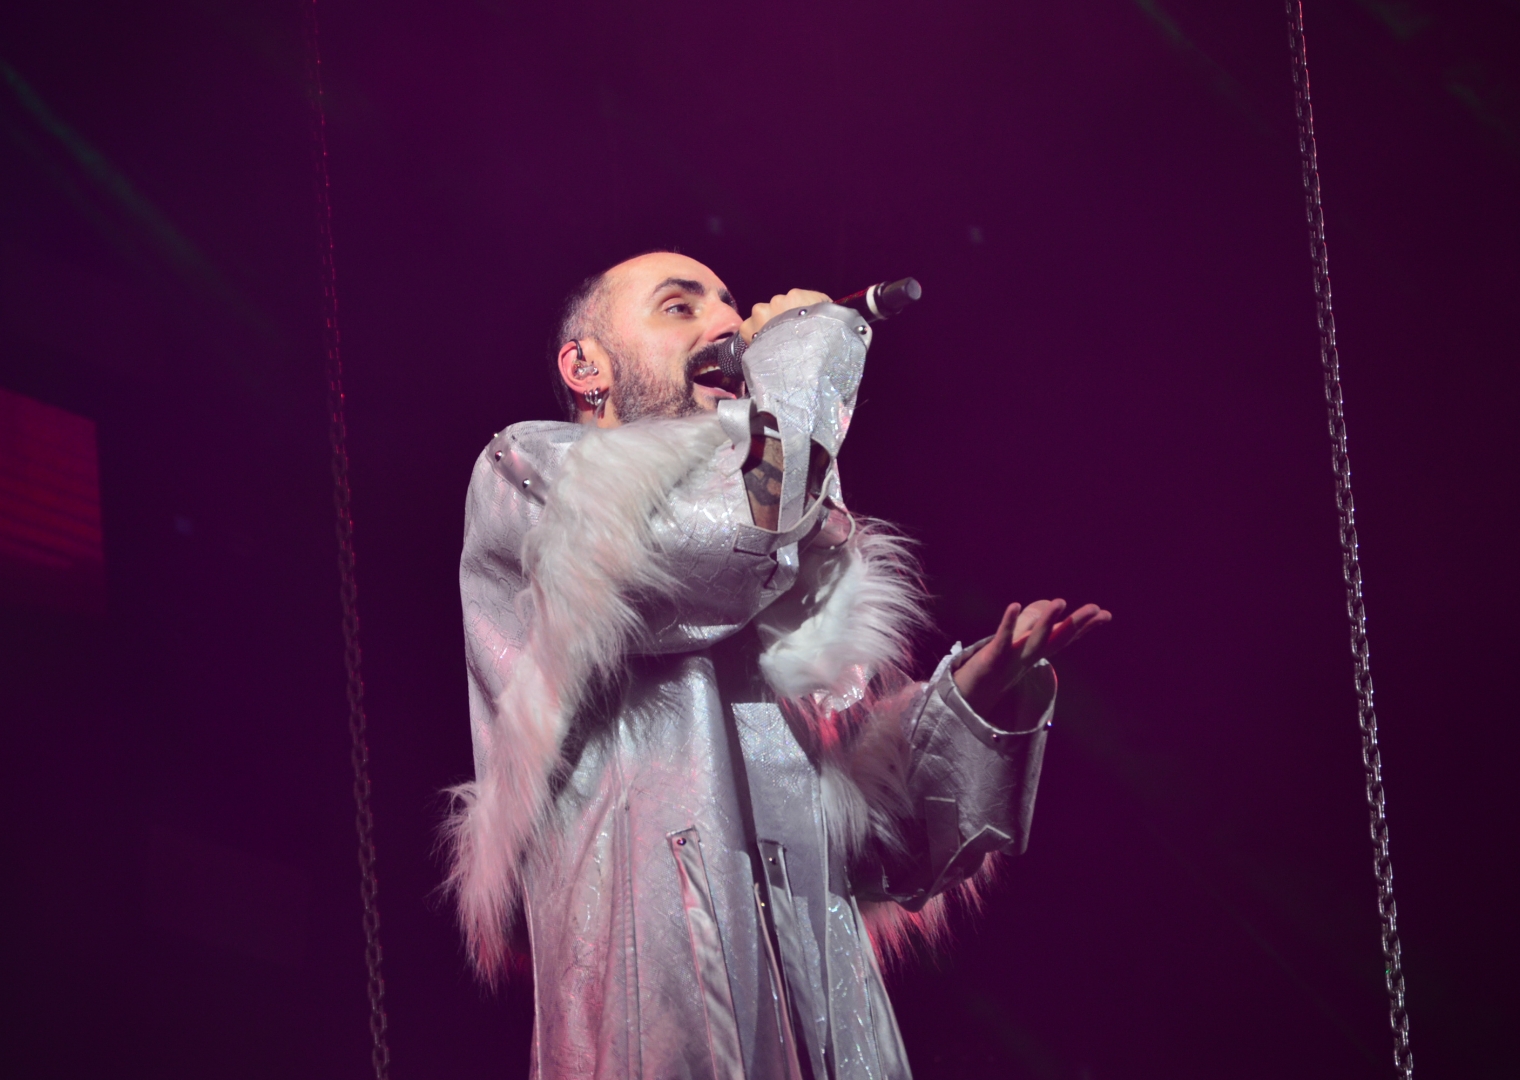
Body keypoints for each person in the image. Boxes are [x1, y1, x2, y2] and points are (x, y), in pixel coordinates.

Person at [447, 251, 1109, 1080]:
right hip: (658, 1012)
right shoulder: (527, 472)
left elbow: (886, 852)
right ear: (587, 367)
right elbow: (722, 543)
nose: (728, 324)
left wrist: (974, 696)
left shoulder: (789, 542)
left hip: (831, 1021)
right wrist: (802, 354)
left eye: (730, 306)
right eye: (681, 308)